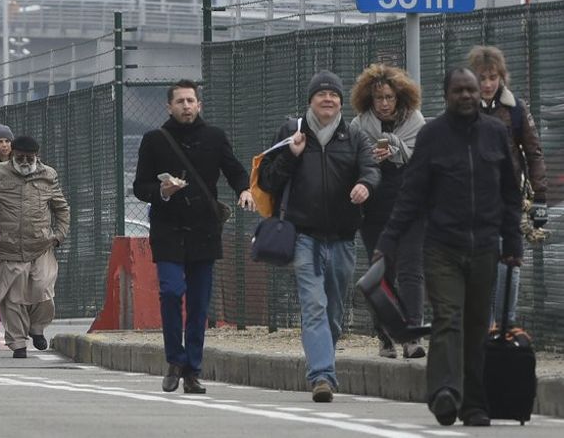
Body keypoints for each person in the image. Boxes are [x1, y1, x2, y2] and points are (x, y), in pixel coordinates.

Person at [375, 68, 523, 427]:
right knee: (448, 318)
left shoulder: (495, 133)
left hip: (486, 245)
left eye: (471, 90)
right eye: (459, 90)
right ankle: (444, 393)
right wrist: (388, 240)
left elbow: (510, 193)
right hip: (442, 246)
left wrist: (513, 241)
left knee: (476, 324)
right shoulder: (432, 136)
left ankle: (474, 403)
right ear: (447, 95)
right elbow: (412, 193)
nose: (467, 95)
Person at [259, 70, 380, 403]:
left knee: (333, 312)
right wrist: (290, 155)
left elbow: (371, 168)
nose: (328, 100)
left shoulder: (354, 136)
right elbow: (267, 179)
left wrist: (364, 185)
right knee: (314, 306)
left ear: (341, 102)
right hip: (304, 237)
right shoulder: (292, 132)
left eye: (334, 95)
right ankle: (322, 376)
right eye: (322, 94)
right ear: (311, 99)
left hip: (342, 238)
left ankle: (323, 353)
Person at [133, 79, 254, 395]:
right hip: (168, 230)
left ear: (199, 105)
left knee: (200, 305)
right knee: (172, 292)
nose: (186, 106)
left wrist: (244, 190)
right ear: (169, 107)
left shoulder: (214, 137)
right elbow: (139, 186)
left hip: (204, 230)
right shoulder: (154, 140)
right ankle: (175, 359)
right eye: (180, 101)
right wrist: (162, 190)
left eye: (191, 100)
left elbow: (235, 170)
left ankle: (193, 370)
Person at [467, 45, 549, 330]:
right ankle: (484, 326)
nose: (488, 84)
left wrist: (540, 198)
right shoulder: (464, 109)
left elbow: (534, 152)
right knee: (481, 267)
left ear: (501, 77)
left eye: (493, 77)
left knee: (509, 264)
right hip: (473, 200)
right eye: (482, 78)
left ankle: (505, 325)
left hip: (508, 198)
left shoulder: (516, 110)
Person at [349, 64, 426, 359]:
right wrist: (371, 159)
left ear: (400, 97)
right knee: (380, 270)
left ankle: (412, 334)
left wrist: (397, 150)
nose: (383, 103)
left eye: (389, 97)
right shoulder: (359, 125)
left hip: (410, 205)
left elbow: (422, 158)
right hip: (375, 206)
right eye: (378, 98)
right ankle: (385, 334)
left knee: (411, 269)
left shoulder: (415, 121)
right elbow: (354, 163)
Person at [0, 135, 69, 359]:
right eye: (20, 157)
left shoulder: (48, 175)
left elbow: (61, 208)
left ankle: (37, 328)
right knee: (13, 298)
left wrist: (59, 235)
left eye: (30, 157)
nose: (25, 161)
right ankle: (18, 343)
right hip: (11, 248)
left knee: (43, 291)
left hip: (42, 245)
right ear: (13, 155)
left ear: (37, 156)